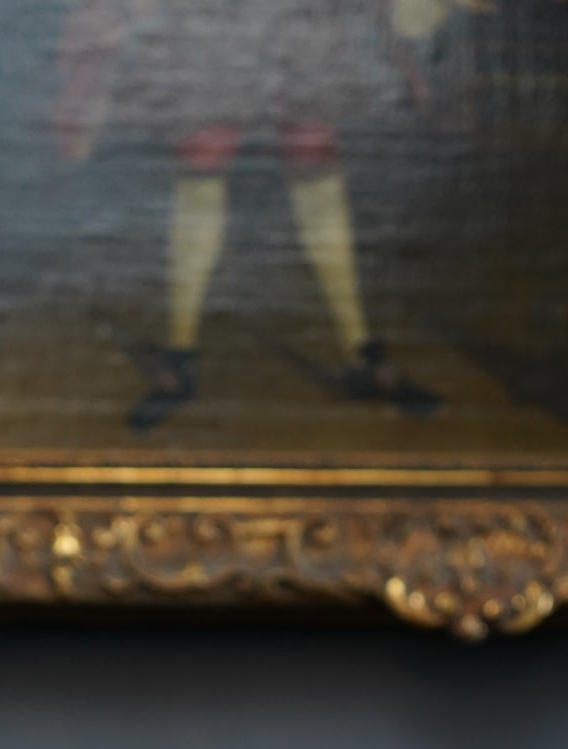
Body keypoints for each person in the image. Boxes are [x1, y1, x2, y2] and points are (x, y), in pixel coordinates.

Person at [52, 0, 485, 429]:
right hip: (218, 31)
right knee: (202, 178)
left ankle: (361, 354)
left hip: (300, 27)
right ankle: (179, 356)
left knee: (316, 179)